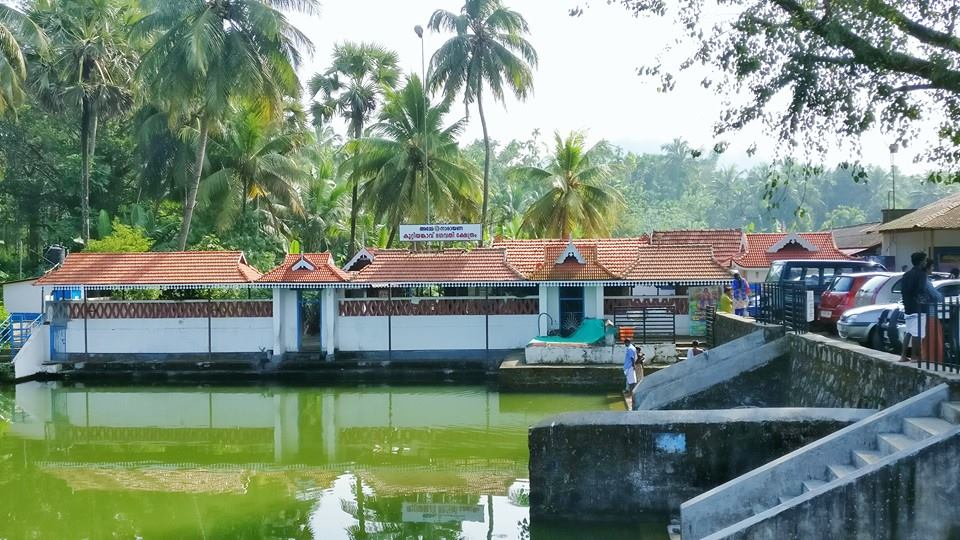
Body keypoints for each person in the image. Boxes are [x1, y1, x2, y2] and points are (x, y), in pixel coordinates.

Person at [900, 252, 943, 362]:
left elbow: (904, 291)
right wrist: (922, 300)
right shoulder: (922, 275)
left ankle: (903, 355)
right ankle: (914, 356)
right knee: (918, 334)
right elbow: (920, 290)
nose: (925, 262)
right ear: (920, 262)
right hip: (918, 308)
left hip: (908, 307)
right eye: (924, 260)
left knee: (909, 332)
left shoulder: (907, 274)